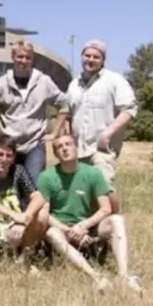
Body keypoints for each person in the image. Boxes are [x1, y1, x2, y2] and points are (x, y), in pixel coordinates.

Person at [38, 134, 142, 293]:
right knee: (52, 233)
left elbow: (106, 208)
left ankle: (123, 276)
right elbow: (45, 213)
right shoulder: (47, 177)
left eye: (68, 144)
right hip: (63, 228)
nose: (65, 148)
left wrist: (84, 226)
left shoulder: (93, 173)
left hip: (89, 227)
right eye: (60, 147)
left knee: (116, 220)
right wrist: (68, 230)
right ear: (56, 154)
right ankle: (96, 277)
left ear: (76, 148)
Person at [64, 39, 137, 214]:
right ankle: (94, 234)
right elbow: (67, 113)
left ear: (103, 59)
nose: (90, 59)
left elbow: (129, 109)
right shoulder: (74, 84)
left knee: (104, 186)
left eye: (96, 57)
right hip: (79, 149)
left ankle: (116, 225)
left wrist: (108, 133)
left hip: (101, 147)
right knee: (83, 192)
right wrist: (67, 138)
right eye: (87, 55)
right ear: (81, 57)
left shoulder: (114, 80)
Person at [0, 40, 69, 182]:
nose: (24, 61)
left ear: (32, 59)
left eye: (28, 57)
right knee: (8, 186)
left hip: (34, 144)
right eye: (20, 57)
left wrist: (54, 133)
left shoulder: (43, 81)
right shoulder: (2, 83)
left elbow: (64, 103)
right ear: (13, 57)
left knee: (33, 186)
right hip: (9, 145)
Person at [0, 135, 47, 253]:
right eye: (0, 154)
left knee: (42, 212)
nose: (4, 159)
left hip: (18, 228)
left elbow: (38, 197)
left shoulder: (19, 171)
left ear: (14, 157)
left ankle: (25, 258)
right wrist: (12, 214)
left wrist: (24, 219)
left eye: (9, 155)